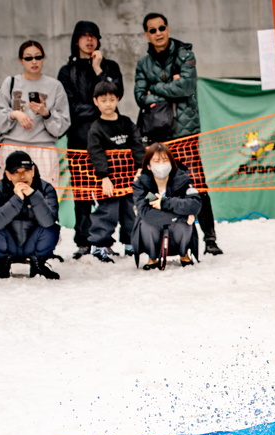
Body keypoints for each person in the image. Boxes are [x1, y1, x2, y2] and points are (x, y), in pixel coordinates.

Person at [135, 12, 222, 256]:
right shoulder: (143, 63)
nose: (158, 33)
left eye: (161, 28)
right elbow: (140, 96)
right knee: (159, 187)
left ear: (168, 29)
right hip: (158, 135)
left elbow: (186, 86)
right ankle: (164, 237)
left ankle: (210, 238)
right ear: (147, 35)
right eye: (153, 30)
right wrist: (170, 88)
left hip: (185, 134)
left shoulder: (185, 54)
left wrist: (156, 88)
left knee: (197, 184)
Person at [60, 20, 125, 260]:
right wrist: (99, 107)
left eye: (93, 36)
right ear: (76, 40)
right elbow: (69, 108)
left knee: (109, 192)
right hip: (79, 141)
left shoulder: (109, 66)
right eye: (84, 36)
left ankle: (105, 240)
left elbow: (117, 93)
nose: (89, 40)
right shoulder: (67, 71)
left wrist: (99, 71)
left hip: (109, 140)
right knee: (82, 194)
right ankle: (84, 241)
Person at [0, 40, 71, 190]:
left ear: (43, 58)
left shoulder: (55, 86)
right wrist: (14, 114)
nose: (34, 61)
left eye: (38, 57)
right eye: (28, 58)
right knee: (12, 196)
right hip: (13, 147)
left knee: (44, 197)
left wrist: (46, 113)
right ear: (21, 60)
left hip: (44, 149)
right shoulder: (10, 83)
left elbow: (63, 125)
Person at [86, 81, 145, 263]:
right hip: (108, 182)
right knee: (107, 212)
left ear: (118, 99)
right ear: (96, 101)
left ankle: (130, 243)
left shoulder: (126, 123)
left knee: (130, 212)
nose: (108, 104)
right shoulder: (96, 128)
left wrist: (141, 168)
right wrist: (104, 177)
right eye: (103, 100)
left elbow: (137, 145)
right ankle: (100, 246)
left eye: (112, 99)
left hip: (129, 179)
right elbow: (96, 153)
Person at [0, 150, 61, 280]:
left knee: (51, 227)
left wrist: (34, 196)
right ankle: (2, 264)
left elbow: (48, 221)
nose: (22, 177)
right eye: (16, 172)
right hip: (9, 244)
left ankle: (39, 263)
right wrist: (17, 199)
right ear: (8, 175)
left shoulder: (46, 188)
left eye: (26, 171)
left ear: (33, 171)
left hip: (33, 244)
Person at [131, 142, 202, 269]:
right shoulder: (141, 185)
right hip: (154, 230)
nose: (161, 165)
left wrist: (165, 202)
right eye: (156, 161)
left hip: (177, 232)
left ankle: (184, 255)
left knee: (185, 224)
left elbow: (195, 204)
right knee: (146, 223)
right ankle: (152, 258)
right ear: (148, 166)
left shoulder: (183, 180)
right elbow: (146, 212)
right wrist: (182, 216)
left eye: (165, 160)